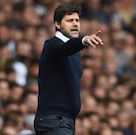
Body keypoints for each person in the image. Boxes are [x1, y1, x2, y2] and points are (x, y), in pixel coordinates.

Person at [34, 3, 104, 135]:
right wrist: (83, 40)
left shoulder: (75, 53)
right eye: (69, 20)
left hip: (66, 121)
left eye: (77, 20)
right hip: (54, 120)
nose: (75, 24)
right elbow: (65, 48)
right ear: (57, 24)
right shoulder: (52, 45)